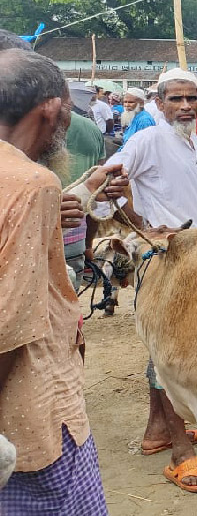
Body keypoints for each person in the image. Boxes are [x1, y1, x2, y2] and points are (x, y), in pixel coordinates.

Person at [0, 49, 124, 514]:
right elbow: (10, 323)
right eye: (69, 108)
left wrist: (77, 197)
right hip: (29, 412)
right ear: (51, 109)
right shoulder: (33, 184)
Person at [84, 67, 197, 494]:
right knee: (172, 353)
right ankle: (181, 453)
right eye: (175, 99)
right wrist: (138, 219)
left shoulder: (191, 139)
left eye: (190, 98)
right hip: (167, 258)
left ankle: (157, 431)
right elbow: (99, 181)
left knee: (167, 349)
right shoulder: (148, 138)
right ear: (158, 103)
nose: (184, 106)